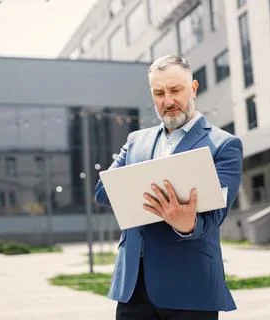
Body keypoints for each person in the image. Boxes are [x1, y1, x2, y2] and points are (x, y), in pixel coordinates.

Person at [95, 55, 243, 320]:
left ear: (194, 88)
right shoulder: (135, 141)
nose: (168, 101)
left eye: (175, 90)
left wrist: (186, 223)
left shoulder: (224, 145)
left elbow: (216, 214)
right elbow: (104, 191)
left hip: (190, 287)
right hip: (133, 287)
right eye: (159, 93)